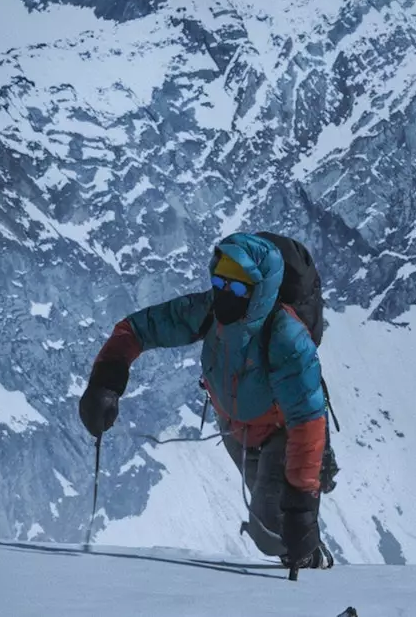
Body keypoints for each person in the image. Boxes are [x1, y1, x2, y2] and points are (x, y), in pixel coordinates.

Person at [77, 232, 333, 569]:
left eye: (239, 288)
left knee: (273, 529)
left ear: (261, 291)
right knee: (276, 525)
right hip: (236, 427)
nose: (227, 293)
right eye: (220, 281)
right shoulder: (208, 310)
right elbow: (137, 329)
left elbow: (307, 421)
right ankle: (300, 526)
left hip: (281, 432)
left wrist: (300, 504)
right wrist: (106, 382)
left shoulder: (287, 338)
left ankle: (312, 556)